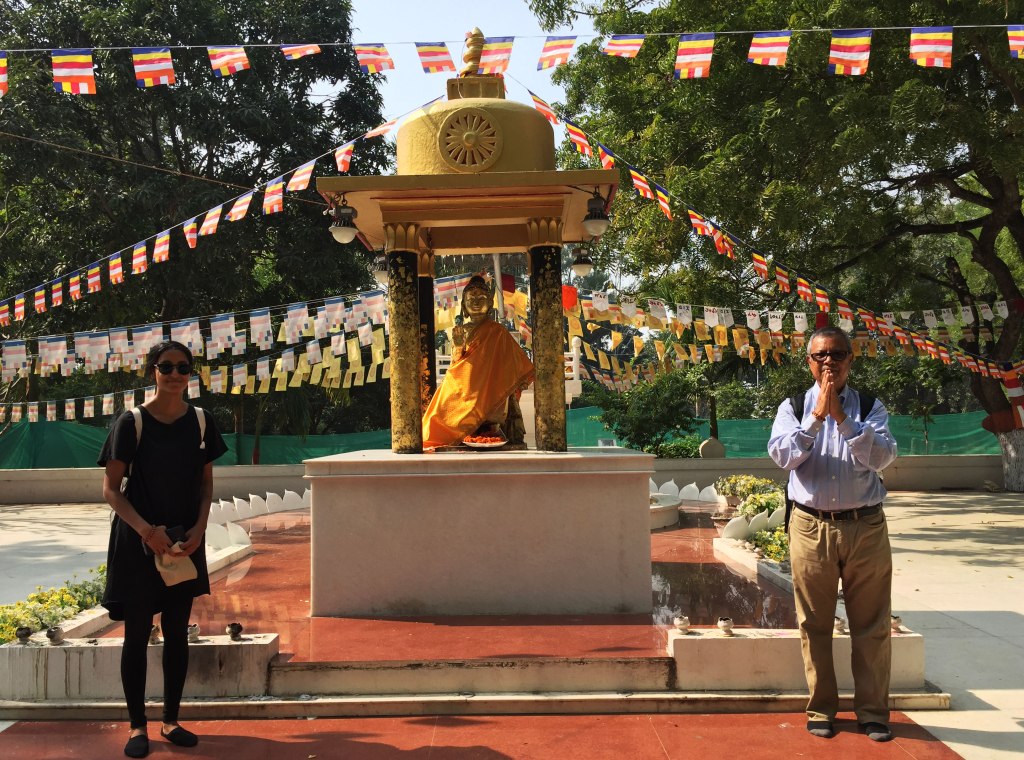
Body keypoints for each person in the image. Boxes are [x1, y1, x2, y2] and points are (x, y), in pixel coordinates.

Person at [767, 326, 898, 743]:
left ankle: (873, 712)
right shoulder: (793, 406)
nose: (829, 362)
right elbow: (782, 456)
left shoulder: (871, 406)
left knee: (872, 624)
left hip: (865, 526)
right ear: (809, 361)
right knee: (814, 623)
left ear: (850, 360)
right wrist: (816, 418)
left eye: (837, 354)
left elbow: (882, 457)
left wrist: (842, 418)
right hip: (811, 526)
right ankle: (821, 709)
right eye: (820, 355)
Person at [98, 340, 227, 758]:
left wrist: (200, 528)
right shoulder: (131, 422)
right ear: (152, 370)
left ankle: (171, 720)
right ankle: (137, 726)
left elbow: (205, 485)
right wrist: (146, 531)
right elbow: (111, 490)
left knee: (177, 633)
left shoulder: (202, 421)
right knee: (136, 636)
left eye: (183, 368)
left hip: (184, 541)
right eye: (166, 366)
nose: (175, 375)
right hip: (139, 543)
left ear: (191, 373)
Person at [422, 274, 534, 449]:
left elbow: (511, 360)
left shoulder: (498, 331)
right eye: (471, 299)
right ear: (464, 306)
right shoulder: (462, 330)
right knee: (439, 409)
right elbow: (456, 362)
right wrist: (458, 346)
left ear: (489, 303)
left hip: (489, 385)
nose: (476, 302)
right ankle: (443, 435)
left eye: (481, 298)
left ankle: (479, 427)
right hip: (463, 381)